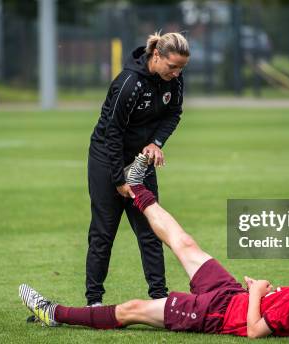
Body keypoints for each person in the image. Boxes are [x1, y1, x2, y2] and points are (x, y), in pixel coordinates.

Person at [20, 154, 289, 338]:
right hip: (230, 296)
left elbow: (256, 332)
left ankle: (53, 312)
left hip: (212, 313)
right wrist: (254, 294)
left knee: (133, 310)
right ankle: (136, 186)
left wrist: (257, 291)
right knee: (184, 242)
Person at [85, 32, 189, 305]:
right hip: (107, 158)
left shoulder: (173, 81)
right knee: (103, 232)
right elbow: (112, 132)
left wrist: (155, 143)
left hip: (141, 161)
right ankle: (94, 300)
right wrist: (119, 179)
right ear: (157, 56)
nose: (177, 74)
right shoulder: (128, 83)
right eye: (172, 67)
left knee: (150, 231)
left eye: (181, 68)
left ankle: (159, 298)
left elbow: (173, 113)